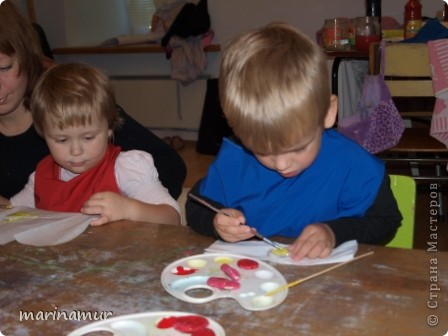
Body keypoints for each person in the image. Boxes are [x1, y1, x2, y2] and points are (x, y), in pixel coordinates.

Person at [186, 22, 402, 260]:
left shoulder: (351, 164)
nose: (281, 164)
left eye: (297, 148)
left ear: (328, 113)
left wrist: (333, 232)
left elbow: (386, 222)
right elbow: (196, 204)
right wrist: (215, 223)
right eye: (262, 150)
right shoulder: (236, 158)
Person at [0, 1, 186, 201]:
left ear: (28, 58)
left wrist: (125, 208)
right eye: (61, 140)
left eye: (4, 68)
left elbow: (171, 168)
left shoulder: (77, 106)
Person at [0, 62, 181, 226]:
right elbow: (13, 212)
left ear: (109, 129)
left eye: (88, 138)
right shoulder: (41, 177)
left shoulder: (126, 169)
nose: (76, 151)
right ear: (43, 134)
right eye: (62, 140)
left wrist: (130, 209)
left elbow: (172, 218)